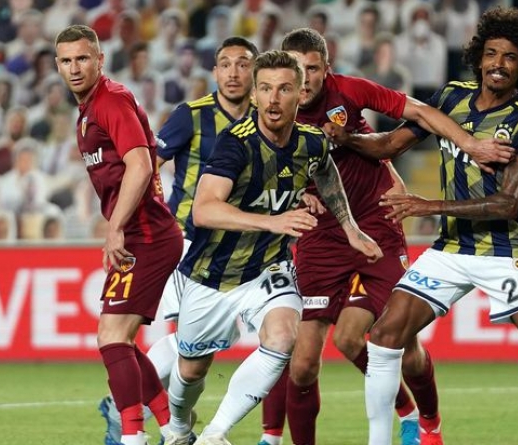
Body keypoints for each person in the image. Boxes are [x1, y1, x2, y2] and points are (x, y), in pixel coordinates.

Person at [324, 8, 518, 445]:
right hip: (451, 251)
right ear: (478, 57)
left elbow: (509, 204)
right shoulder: (451, 99)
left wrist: (429, 205)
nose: (499, 63)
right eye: (491, 53)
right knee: (383, 337)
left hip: (504, 253)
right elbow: (389, 145)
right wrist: (348, 139)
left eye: (510, 57)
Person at [258, 27, 515, 445]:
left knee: (399, 344)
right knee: (302, 365)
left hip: (377, 223)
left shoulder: (349, 91)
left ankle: (429, 423)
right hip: (321, 237)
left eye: (313, 69)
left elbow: (420, 112)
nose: (304, 80)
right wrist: (295, 197)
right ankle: (404, 410)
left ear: (327, 69)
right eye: (297, 70)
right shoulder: (270, 110)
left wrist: (470, 144)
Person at [163, 50, 383, 445]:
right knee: (192, 369)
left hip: (269, 267)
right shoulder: (236, 144)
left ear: (301, 93)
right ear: (254, 95)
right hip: (211, 274)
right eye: (264, 89)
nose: (273, 99)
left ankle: (215, 434)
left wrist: (350, 228)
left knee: (283, 337)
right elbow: (204, 209)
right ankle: (178, 427)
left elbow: (325, 172)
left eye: (283, 89)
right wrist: (273, 222)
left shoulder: (312, 142)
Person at [98, 37, 260, 445]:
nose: (234, 73)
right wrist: (148, 217)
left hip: (241, 251)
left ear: (255, 71)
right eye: (226, 64)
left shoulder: (267, 120)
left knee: (196, 348)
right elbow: (148, 163)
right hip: (189, 240)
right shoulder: (192, 115)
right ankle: (142, 417)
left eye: (243, 64)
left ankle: (152, 417)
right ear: (215, 72)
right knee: (185, 344)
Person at [55, 25, 183, 445]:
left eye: (82, 58)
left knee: (111, 337)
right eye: (66, 61)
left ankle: (132, 436)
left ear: (99, 60)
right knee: (121, 339)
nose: (74, 68)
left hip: (147, 234)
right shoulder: (89, 110)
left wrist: (115, 229)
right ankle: (173, 430)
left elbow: (141, 165)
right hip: (141, 233)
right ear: (57, 65)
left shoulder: (110, 100)